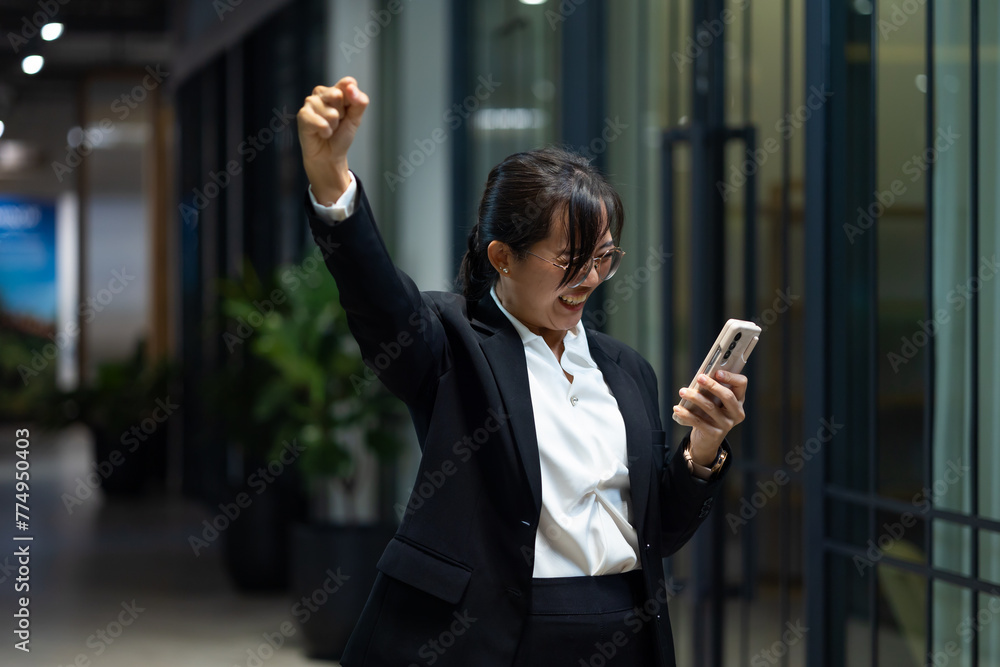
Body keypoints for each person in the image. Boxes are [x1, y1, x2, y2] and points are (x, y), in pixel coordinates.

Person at [296, 76, 747, 667]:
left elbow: (655, 533)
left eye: (604, 258)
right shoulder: (451, 343)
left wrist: (702, 450)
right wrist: (332, 181)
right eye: (569, 259)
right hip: (499, 638)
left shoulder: (626, 370)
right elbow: (377, 298)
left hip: (626, 637)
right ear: (501, 257)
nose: (588, 278)